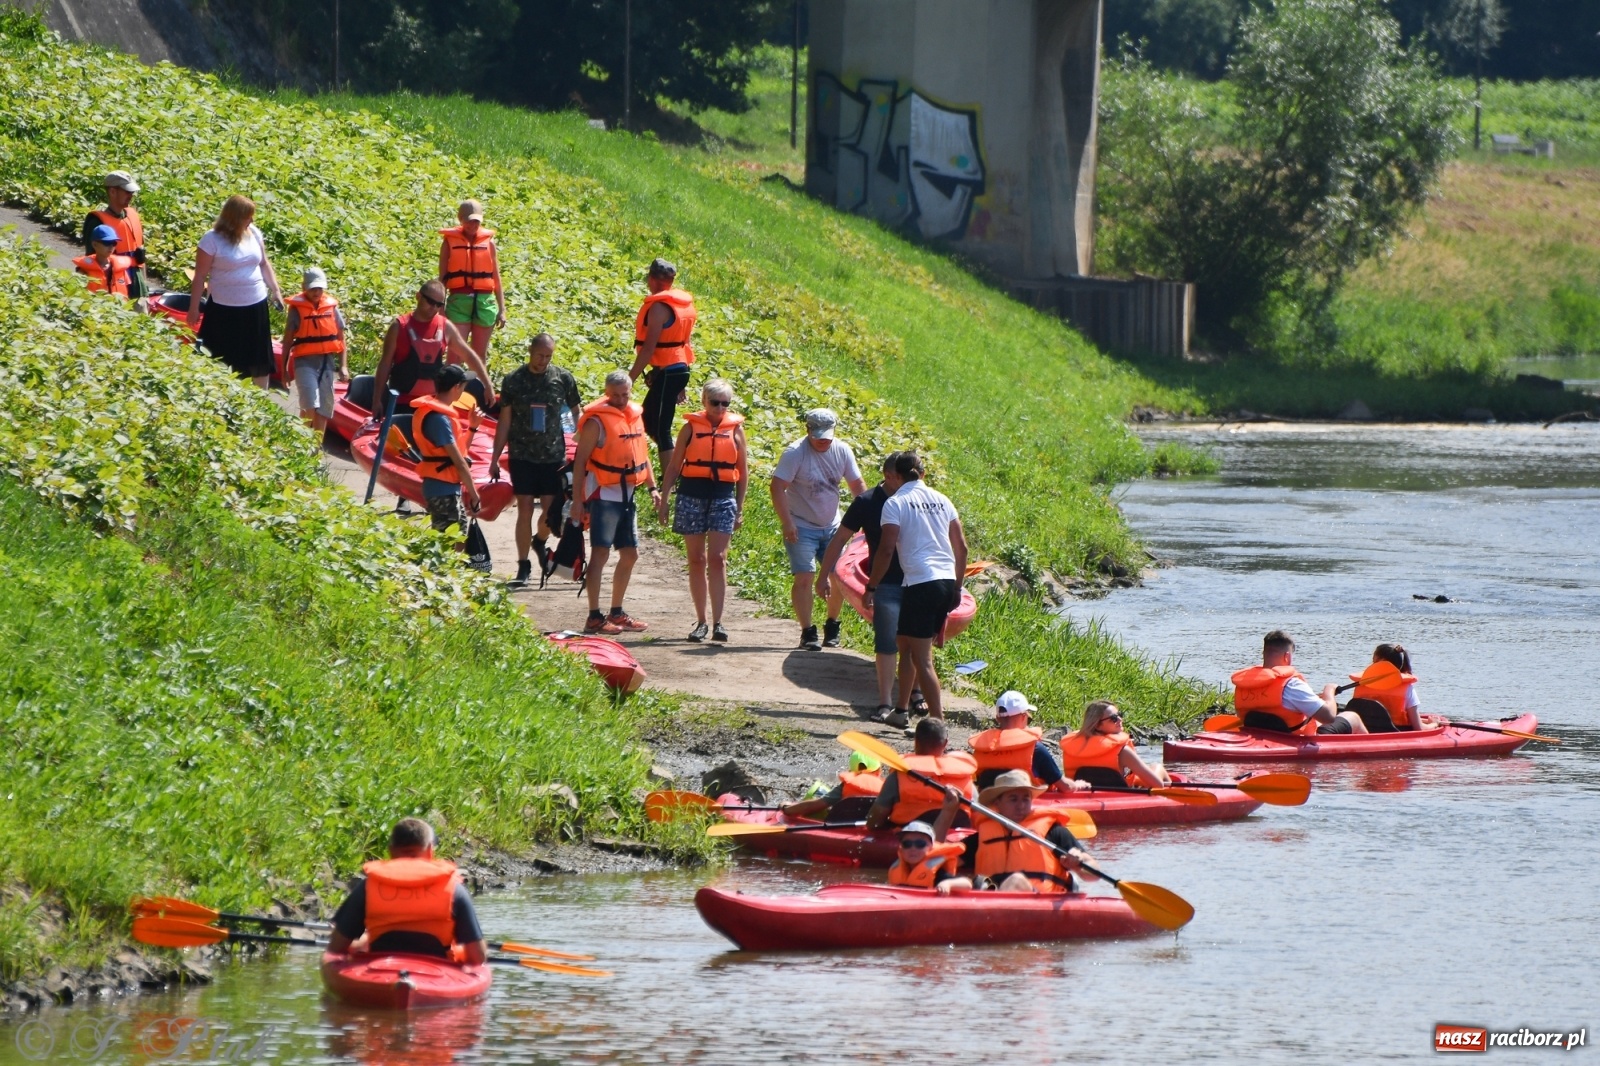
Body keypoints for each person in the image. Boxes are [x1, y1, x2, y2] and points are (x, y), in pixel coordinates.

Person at [817, 453, 918, 726]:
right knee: (887, 643)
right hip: (885, 581)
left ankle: (914, 694)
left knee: (916, 641)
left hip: (917, 580)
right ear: (889, 476)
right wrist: (824, 574)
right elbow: (840, 539)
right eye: (902, 477)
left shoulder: (916, 499)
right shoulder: (867, 502)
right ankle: (886, 702)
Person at [864, 452, 965, 721]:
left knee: (923, 659)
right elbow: (962, 548)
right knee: (905, 647)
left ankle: (938, 723)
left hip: (920, 584)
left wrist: (872, 586)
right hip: (944, 582)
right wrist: (957, 588)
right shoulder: (943, 500)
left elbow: (886, 550)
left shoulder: (895, 502)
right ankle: (900, 711)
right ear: (922, 473)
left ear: (897, 475)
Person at [657, 379, 748, 643]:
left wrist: (739, 507)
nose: (720, 408)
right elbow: (674, 467)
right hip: (691, 496)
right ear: (703, 401)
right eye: (715, 402)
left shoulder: (736, 431)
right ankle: (701, 621)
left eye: (725, 404)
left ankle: (719, 621)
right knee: (696, 559)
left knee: (718, 558)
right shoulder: (689, 429)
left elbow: (743, 473)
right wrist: (664, 500)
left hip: (722, 497)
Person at [770, 408, 867, 651]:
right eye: (818, 436)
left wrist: (867, 519)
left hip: (833, 525)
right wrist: (787, 522)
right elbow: (777, 487)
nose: (823, 441)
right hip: (801, 524)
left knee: (837, 576)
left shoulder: (842, 450)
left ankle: (832, 624)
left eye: (827, 436)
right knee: (804, 576)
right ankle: (807, 631)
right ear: (808, 431)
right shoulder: (795, 453)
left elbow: (857, 485)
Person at [327, 818, 487, 964]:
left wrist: (361, 945)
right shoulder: (454, 889)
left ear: (391, 850)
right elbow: (477, 956)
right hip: (437, 968)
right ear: (430, 850)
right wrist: (459, 955)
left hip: (380, 966)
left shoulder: (368, 886)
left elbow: (336, 947)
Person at [490, 334, 583, 585]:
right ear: (530, 351)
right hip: (522, 455)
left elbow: (575, 410)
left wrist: (582, 440)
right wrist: (495, 457)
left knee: (551, 516)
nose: (543, 361)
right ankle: (523, 565)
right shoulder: (514, 381)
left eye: (548, 356)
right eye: (540, 355)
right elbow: (505, 420)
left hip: (553, 457)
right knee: (525, 510)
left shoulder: (562, 378)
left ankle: (539, 541)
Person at [572, 371, 659, 634]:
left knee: (630, 554)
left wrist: (653, 488)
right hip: (603, 496)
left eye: (625, 394)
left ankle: (617, 612)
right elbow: (579, 463)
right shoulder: (596, 423)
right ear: (606, 394)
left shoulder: (634, 416)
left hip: (628, 496)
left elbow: (642, 455)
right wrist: (578, 501)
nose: (621, 400)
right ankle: (594, 616)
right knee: (600, 553)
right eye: (615, 396)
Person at [939, 769, 1096, 895]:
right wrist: (948, 812)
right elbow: (936, 857)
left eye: (1025, 799)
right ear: (997, 804)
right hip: (992, 901)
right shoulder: (982, 837)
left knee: (1016, 880)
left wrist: (1079, 862)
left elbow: (1093, 874)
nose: (1020, 806)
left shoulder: (1053, 832)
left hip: (1040, 903)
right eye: (1013, 799)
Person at [187, 195, 284, 388]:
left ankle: (260, 400)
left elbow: (264, 263)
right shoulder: (211, 240)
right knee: (218, 355)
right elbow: (200, 277)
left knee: (258, 356)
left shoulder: (254, 233)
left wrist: (275, 290)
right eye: (248, 217)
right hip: (224, 308)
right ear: (235, 218)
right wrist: (194, 308)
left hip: (255, 304)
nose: (252, 221)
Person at [371, 281, 494, 414]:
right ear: (418, 296)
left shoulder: (446, 327)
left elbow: (469, 356)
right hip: (401, 403)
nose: (434, 308)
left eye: (439, 305)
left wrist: (487, 385)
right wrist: (377, 399)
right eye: (430, 302)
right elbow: (385, 364)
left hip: (433, 405)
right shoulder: (399, 327)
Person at [627, 258, 697, 477]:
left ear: (651, 279)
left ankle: (672, 479)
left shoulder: (658, 307)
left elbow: (648, 350)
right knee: (648, 420)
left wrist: (628, 381)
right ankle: (674, 469)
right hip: (677, 369)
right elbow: (684, 342)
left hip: (671, 372)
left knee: (662, 428)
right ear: (671, 281)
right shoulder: (682, 305)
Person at [1232, 630, 1367, 735]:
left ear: (1264, 653)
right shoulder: (1292, 685)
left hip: (1260, 736)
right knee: (1352, 716)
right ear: (1287, 656)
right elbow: (1328, 717)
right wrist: (1329, 691)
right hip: (1292, 739)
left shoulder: (1245, 683)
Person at [411, 365, 484, 542]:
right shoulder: (439, 419)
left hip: (446, 487)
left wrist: (472, 427)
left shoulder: (440, 415)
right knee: (450, 542)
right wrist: (475, 496)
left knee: (458, 537)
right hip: (442, 490)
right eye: (464, 386)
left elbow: (460, 453)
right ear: (456, 387)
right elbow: (459, 462)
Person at [865, 717, 977, 829]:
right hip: (957, 843)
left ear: (916, 741)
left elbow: (874, 821)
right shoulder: (966, 778)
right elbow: (978, 820)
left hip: (910, 843)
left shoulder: (898, 777)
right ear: (945, 743)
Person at [968, 691, 1088, 794]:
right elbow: (1065, 787)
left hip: (988, 807)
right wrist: (1077, 784)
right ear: (1023, 716)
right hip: (1026, 809)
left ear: (998, 718)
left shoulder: (981, 748)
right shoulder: (1036, 749)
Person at [281, 267, 349, 433]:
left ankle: (316, 450)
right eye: (312, 288)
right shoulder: (296, 310)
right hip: (304, 363)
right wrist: (283, 370)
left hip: (326, 362)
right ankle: (301, 444)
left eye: (319, 288)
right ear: (304, 287)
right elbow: (288, 340)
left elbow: (340, 338)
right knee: (310, 404)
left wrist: (343, 366)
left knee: (324, 409)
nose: (316, 291)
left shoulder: (331, 307)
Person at [438, 199, 505, 364]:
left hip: (485, 303)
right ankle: (450, 389)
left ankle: (476, 389)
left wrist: (502, 309)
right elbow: (442, 278)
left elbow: (496, 277)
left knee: (479, 356)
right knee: (455, 355)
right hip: (459, 303)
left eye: (476, 221)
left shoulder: (489, 243)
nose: (472, 224)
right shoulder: (448, 242)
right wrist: (440, 307)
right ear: (461, 220)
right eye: (468, 220)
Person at [1058, 700, 1172, 788]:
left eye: (1119, 715)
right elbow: (1158, 785)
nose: (1120, 719)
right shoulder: (1123, 751)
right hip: (1121, 794)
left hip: (1083, 794)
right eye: (1113, 718)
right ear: (1097, 725)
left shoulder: (1072, 747)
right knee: (1157, 767)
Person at [82, 170, 149, 306]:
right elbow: (92, 260)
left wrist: (145, 286)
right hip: (113, 286)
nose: (131, 195)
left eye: (132, 192)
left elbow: (141, 256)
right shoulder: (97, 221)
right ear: (112, 192)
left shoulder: (132, 215)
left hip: (137, 285)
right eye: (127, 191)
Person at [1345, 643, 1428, 733]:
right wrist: (1435, 724)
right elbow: (1418, 728)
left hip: (1364, 732)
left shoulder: (1360, 684)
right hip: (1395, 734)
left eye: (1374, 662)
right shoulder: (1407, 688)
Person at [780, 751, 883, 821]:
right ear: (878, 770)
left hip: (842, 828)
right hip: (870, 829)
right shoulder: (886, 788)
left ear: (851, 769)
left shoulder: (846, 786)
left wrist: (786, 808)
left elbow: (812, 806)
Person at [886, 814, 967, 893]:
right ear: (901, 848)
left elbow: (967, 883)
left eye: (920, 844)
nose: (913, 848)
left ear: (931, 846)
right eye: (907, 844)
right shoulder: (896, 867)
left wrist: (947, 884)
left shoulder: (937, 872)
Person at [73, 224, 136, 300]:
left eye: (114, 243)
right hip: (94, 310)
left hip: (117, 309)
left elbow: (128, 293)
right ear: (94, 244)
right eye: (106, 243)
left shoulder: (120, 268)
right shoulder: (84, 270)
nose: (111, 247)